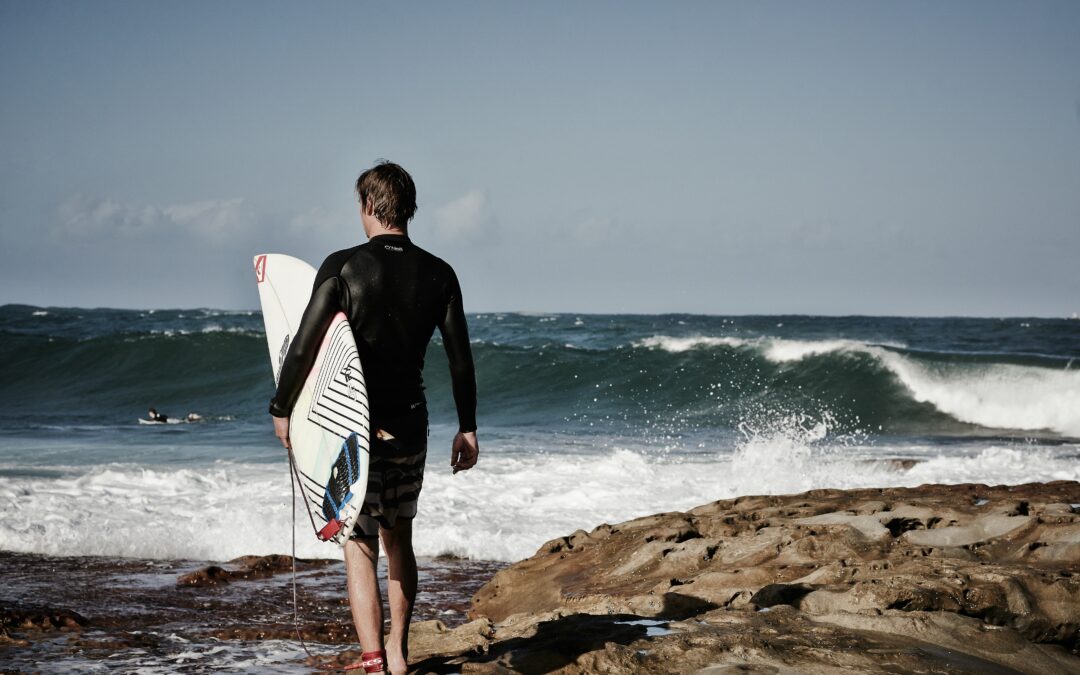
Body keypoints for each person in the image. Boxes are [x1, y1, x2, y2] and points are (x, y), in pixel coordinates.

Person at [268, 161, 479, 675]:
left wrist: (283, 408)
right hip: (410, 427)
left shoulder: (343, 267)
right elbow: (459, 358)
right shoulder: (439, 274)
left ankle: (373, 662)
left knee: (359, 546)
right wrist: (468, 426)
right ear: (408, 209)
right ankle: (400, 653)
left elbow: (305, 346)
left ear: (368, 205)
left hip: (351, 431)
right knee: (399, 537)